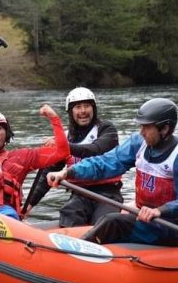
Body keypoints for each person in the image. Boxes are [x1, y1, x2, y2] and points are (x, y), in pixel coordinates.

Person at [48, 98, 178, 246]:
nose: (141, 132)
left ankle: (75, 257)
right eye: (141, 126)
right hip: (142, 216)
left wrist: (160, 211)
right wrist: (69, 172)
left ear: (165, 128)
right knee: (94, 217)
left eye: (146, 127)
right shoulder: (139, 143)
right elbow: (106, 162)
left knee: (112, 221)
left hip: (167, 226)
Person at [25, 87, 123, 227]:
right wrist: (30, 204)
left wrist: (63, 146)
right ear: (71, 112)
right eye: (78, 107)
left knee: (103, 224)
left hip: (108, 195)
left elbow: (95, 150)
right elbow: (46, 175)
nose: (83, 111)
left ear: (93, 109)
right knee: (69, 213)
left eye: (87, 106)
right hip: (79, 195)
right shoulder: (65, 137)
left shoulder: (107, 130)